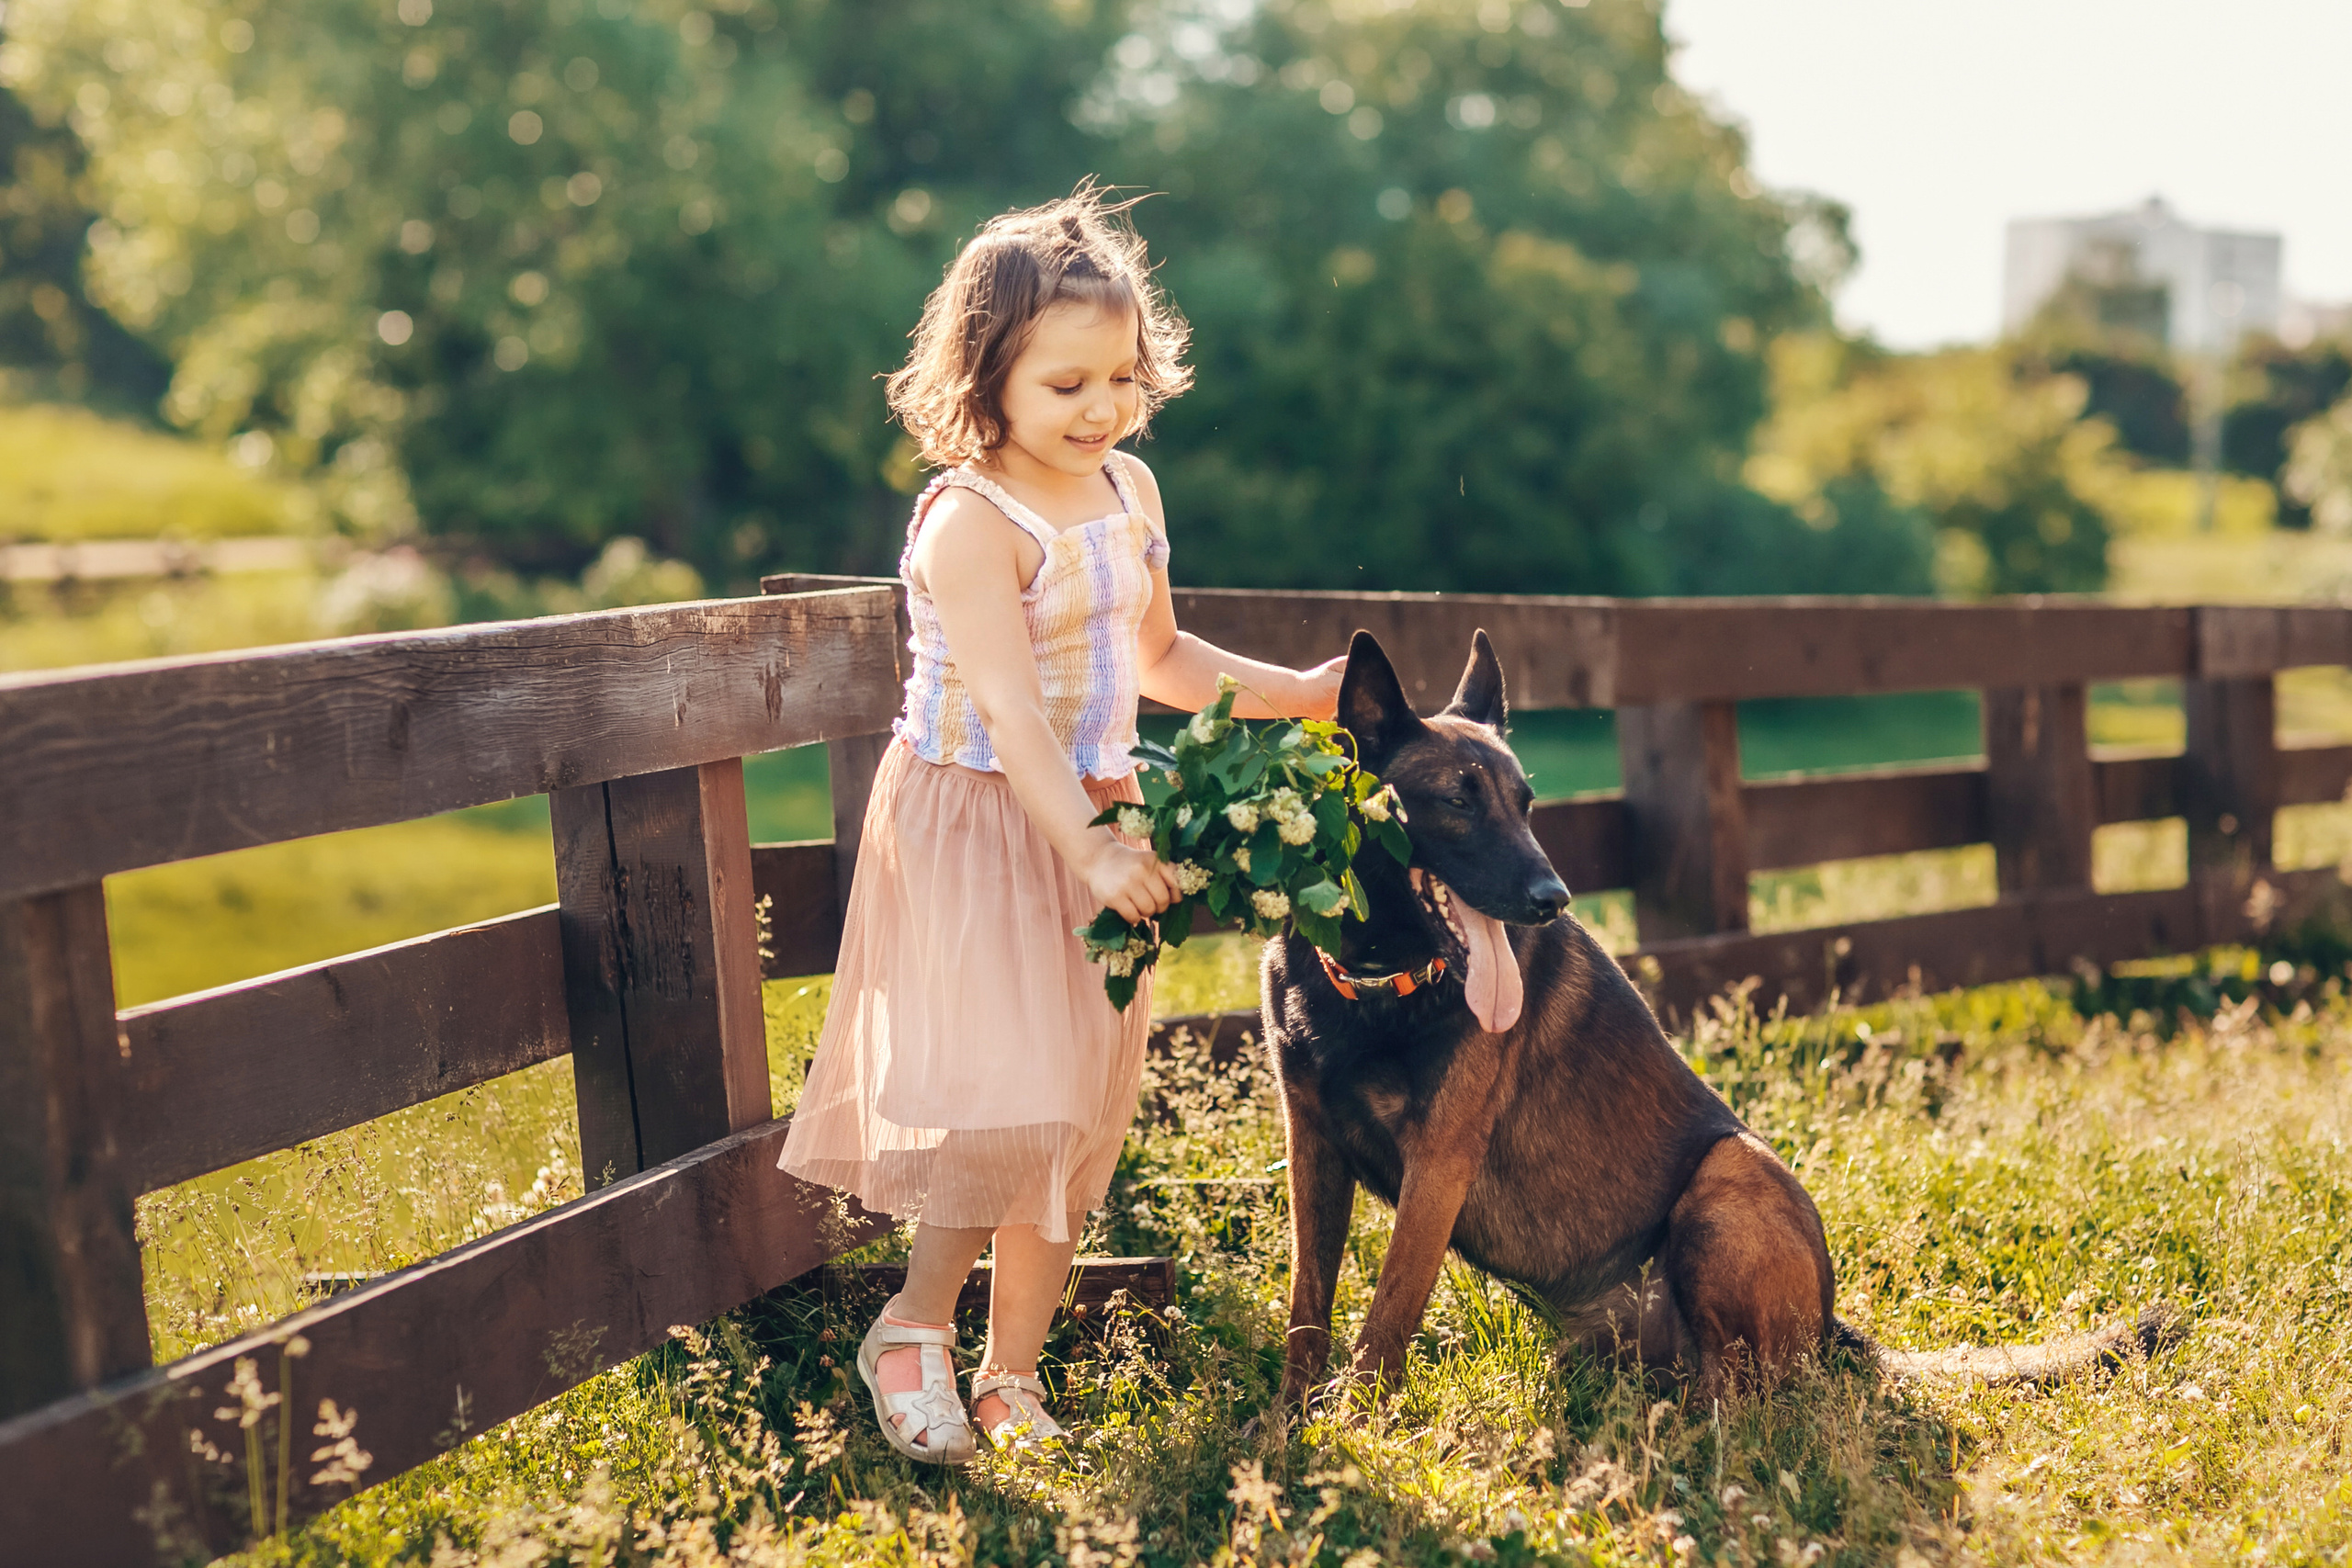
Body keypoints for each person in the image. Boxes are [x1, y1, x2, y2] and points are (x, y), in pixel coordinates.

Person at [777, 183, 1343, 1462]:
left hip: (1100, 814)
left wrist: (1294, 695)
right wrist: (1084, 848)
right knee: (1010, 1102)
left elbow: (1159, 657)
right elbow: (1011, 712)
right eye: (1067, 384)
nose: (1102, 410)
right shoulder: (971, 522)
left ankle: (1012, 1377)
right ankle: (912, 1331)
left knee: (1079, 1112)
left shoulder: (1130, 490)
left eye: (1122, 379)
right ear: (988, 379)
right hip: (979, 822)